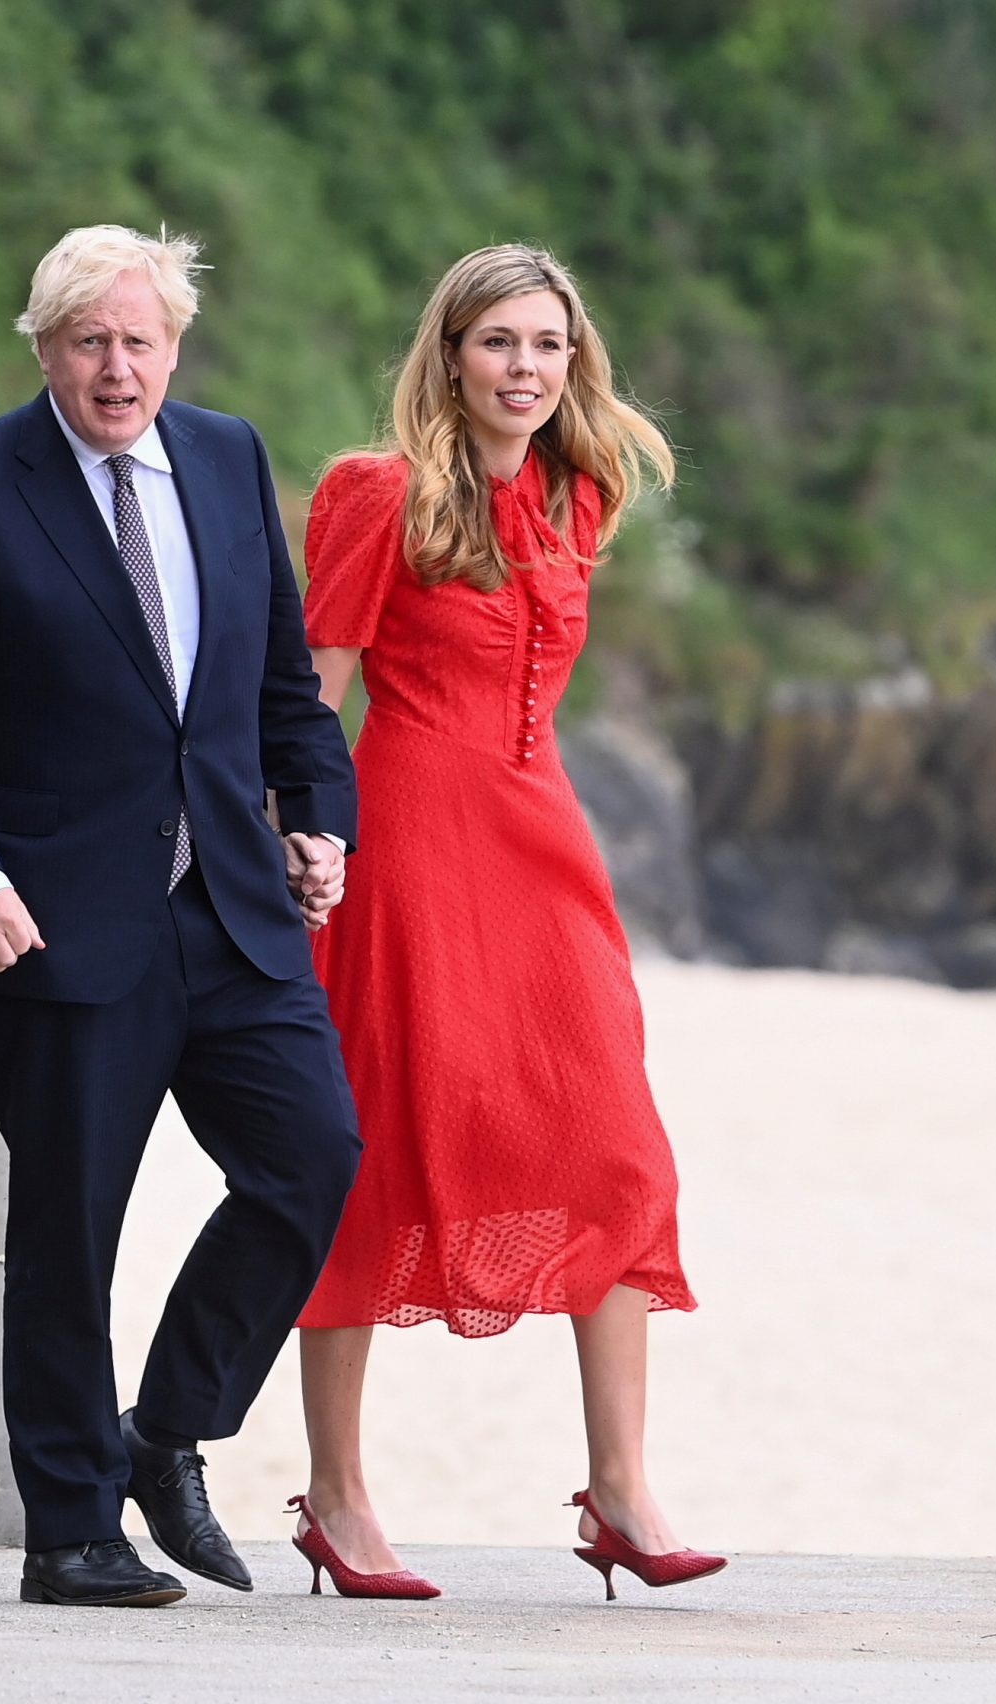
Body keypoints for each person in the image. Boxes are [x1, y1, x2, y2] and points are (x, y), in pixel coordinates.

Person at [0, 224, 364, 1609]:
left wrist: (320, 812)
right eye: (90, 341)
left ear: (176, 346)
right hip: (53, 923)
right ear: (44, 348)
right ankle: (69, 1527)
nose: (117, 366)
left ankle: (165, 1431)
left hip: (231, 911)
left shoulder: (225, 455)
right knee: (72, 1229)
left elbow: (279, 689)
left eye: (140, 340)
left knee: (313, 1155)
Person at [290, 244, 725, 1602]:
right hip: (408, 842)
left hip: (547, 845)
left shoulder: (580, 491)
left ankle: (621, 1487)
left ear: (572, 358)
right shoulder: (378, 492)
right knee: (372, 1151)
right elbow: (316, 695)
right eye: (497, 343)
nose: (523, 367)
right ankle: (342, 1498)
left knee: (615, 1151)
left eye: (546, 344)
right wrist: (298, 840)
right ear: (451, 355)